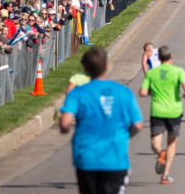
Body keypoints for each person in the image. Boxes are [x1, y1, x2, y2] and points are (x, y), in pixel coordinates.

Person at [59, 47, 143, 194]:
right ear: (107, 67)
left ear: (85, 69)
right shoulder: (123, 92)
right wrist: (123, 135)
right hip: (115, 158)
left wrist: (65, 127)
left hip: (86, 157)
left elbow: (65, 124)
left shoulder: (78, 93)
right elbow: (137, 124)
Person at [139, 46, 185, 185]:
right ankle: (165, 174)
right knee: (171, 143)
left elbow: (142, 92)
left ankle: (160, 154)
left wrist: (154, 93)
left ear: (159, 58)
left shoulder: (152, 73)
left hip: (157, 111)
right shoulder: (178, 71)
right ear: (171, 57)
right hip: (174, 111)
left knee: (155, 144)